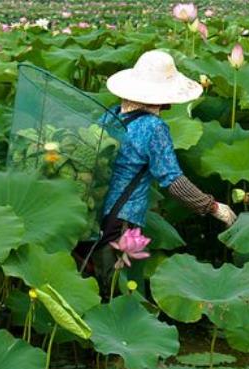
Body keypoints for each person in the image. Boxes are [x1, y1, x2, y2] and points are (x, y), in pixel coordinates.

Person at [92, 49, 236, 283]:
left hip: (95, 211)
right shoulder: (154, 128)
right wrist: (213, 207)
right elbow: (173, 181)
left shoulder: (111, 115)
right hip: (122, 217)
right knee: (114, 287)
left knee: (98, 281)